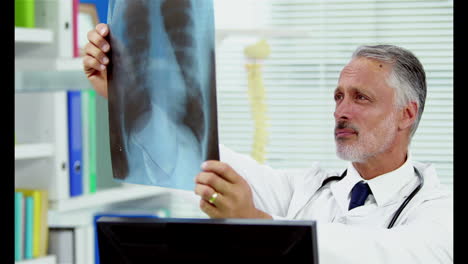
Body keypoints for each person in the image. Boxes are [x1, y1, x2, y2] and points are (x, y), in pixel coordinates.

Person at [84, 23, 453, 263]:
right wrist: (122, 95)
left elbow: (384, 254)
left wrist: (257, 222)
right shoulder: (306, 190)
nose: (341, 110)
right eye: (338, 96)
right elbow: (202, 161)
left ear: (407, 114)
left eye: (361, 98)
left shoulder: (438, 212)